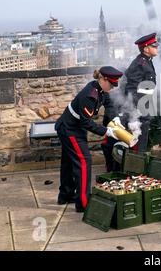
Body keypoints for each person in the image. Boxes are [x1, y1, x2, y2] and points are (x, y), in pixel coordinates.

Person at [55, 66, 124, 212]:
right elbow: (85, 122)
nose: (112, 88)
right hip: (70, 129)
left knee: (68, 162)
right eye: (111, 84)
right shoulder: (90, 95)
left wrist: (115, 118)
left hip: (71, 126)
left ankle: (65, 195)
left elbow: (109, 103)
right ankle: (83, 203)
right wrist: (107, 131)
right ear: (103, 79)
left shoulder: (100, 89)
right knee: (84, 161)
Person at [124, 33, 159, 152]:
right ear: (146, 49)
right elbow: (132, 90)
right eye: (154, 46)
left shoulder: (147, 61)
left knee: (143, 142)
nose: (156, 48)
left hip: (144, 107)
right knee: (138, 143)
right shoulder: (139, 64)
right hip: (138, 110)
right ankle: (136, 168)